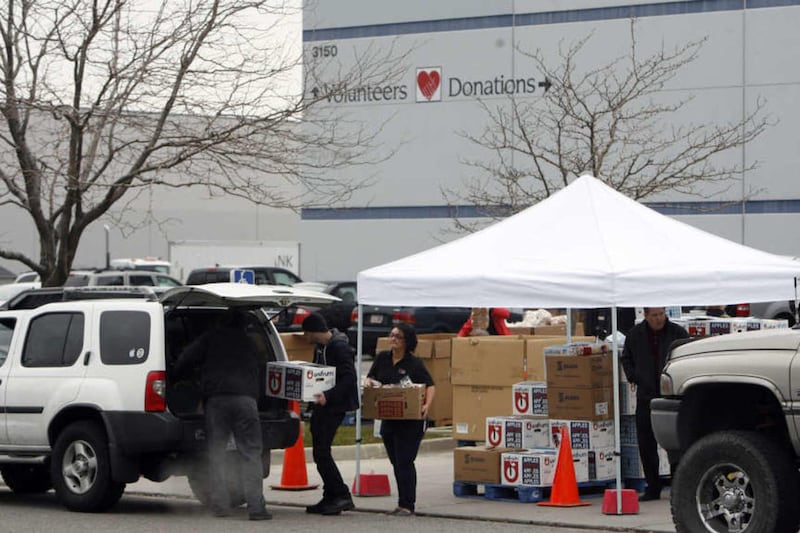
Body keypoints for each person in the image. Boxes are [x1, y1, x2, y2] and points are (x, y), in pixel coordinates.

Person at [172, 309, 271, 521]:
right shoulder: (251, 342)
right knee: (251, 453)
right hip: (246, 401)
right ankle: (256, 508)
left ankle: (220, 505)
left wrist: (175, 376)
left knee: (217, 452)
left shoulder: (211, 338)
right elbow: (262, 367)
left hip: (217, 402)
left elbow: (186, 358)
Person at [366, 323, 435, 516]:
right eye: (392, 335)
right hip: (389, 417)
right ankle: (401, 502)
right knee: (396, 461)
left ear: (407, 342)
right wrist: (371, 383)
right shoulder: (382, 359)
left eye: (398, 336)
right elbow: (371, 377)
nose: (393, 339)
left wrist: (426, 405)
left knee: (405, 460)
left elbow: (430, 385)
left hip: (411, 421)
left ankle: (407, 504)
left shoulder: (414, 363)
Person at [621, 307, 689, 502]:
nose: (659, 319)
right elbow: (626, 358)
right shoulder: (635, 335)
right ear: (646, 316)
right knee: (646, 444)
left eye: (661, 314)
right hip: (646, 396)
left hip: (672, 396)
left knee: (675, 444)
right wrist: (635, 377)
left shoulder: (677, 333)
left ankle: (679, 485)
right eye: (654, 316)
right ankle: (653, 486)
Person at [301, 312, 359, 515]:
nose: (305, 338)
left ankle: (341, 494)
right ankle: (330, 495)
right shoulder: (322, 347)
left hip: (334, 405)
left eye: (306, 333)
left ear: (314, 331)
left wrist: (329, 396)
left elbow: (349, 378)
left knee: (322, 452)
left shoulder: (338, 347)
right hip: (322, 404)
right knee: (319, 451)